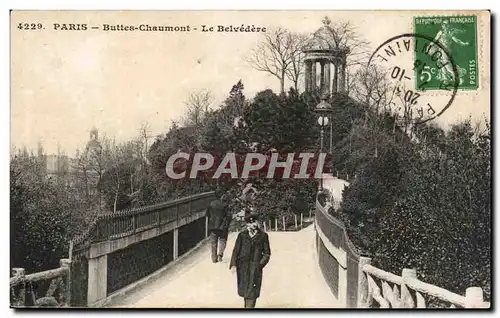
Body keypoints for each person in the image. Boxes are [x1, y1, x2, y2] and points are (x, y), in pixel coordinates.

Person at [229, 213, 271, 308]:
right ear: (247, 224)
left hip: (255, 268)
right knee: (245, 291)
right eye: (251, 223)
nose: (254, 224)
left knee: (252, 292)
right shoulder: (242, 235)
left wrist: (259, 265)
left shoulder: (263, 236)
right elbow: (236, 250)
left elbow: (267, 253)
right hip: (242, 267)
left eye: (255, 221)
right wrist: (233, 265)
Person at [206, 194, 232, 263]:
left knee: (213, 242)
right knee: (223, 240)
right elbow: (229, 216)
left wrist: (211, 222)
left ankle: (214, 259)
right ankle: (220, 255)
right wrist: (228, 224)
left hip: (213, 226)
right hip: (222, 227)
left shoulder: (211, 204)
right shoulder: (226, 205)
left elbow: (207, 214)